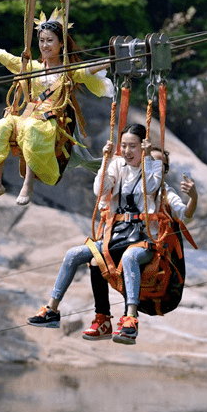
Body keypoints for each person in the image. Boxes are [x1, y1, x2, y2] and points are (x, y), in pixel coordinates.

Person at [0, 10, 113, 205]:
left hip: (51, 120)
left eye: (50, 40)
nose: (45, 45)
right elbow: (1, 55)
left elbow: (87, 69)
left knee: (32, 128)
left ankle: (28, 184)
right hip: (29, 114)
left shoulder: (68, 71)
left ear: (61, 44)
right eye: (42, 41)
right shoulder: (32, 67)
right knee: (3, 124)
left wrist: (113, 59)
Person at [27, 123, 162, 345]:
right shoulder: (118, 165)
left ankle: (130, 318)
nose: (127, 151)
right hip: (117, 236)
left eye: (133, 147)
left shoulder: (154, 166)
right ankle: (52, 310)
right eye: (124, 146)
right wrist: (106, 161)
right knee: (75, 254)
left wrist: (147, 158)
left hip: (142, 239)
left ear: (143, 147)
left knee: (129, 258)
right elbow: (100, 189)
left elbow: (149, 187)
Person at [82, 147, 198, 342]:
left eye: (161, 166)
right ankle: (102, 318)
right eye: (150, 163)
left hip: (152, 256)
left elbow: (185, 213)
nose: (156, 168)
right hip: (124, 247)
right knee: (96, 261)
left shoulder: (164, 194)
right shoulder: (126, 187)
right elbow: (105, 194)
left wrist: (193, 197)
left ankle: (130, 319)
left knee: (130, 256)